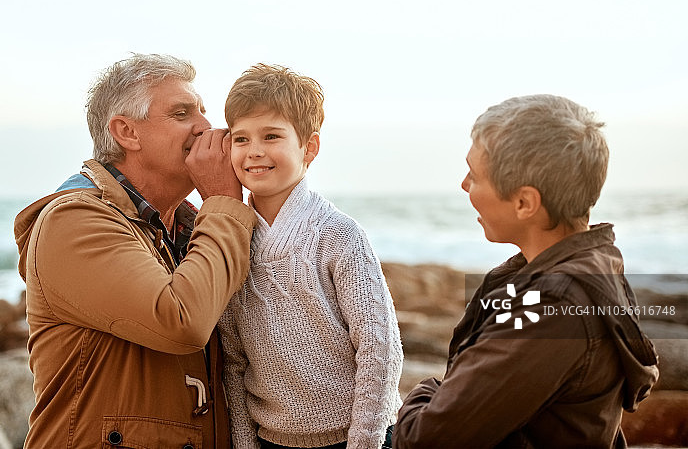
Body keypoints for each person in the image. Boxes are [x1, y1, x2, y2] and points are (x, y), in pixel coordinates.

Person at [13, 53, 256, 448]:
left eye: (201, 111)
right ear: (127, 132)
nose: (205, 127)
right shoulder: (73, 221)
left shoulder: (185, 228)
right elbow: (182, 320)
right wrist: (225, 202)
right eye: (181, 113)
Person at [394, 94, 659, 448]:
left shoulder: (550, 308)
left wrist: (430, 388)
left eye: (474, 175)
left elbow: (423, 440)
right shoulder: (596, 263)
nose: (463, 185)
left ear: (524, 203)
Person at [217, 64, 403, 449]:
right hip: (272, 440)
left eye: (271, 136)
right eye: (240, 139)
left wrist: (364, 443)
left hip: (355, 436)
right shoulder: (232, 242)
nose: (254, 152)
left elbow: (379, 347)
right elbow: (233, 361)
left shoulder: (338, 234)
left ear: (309, 147)